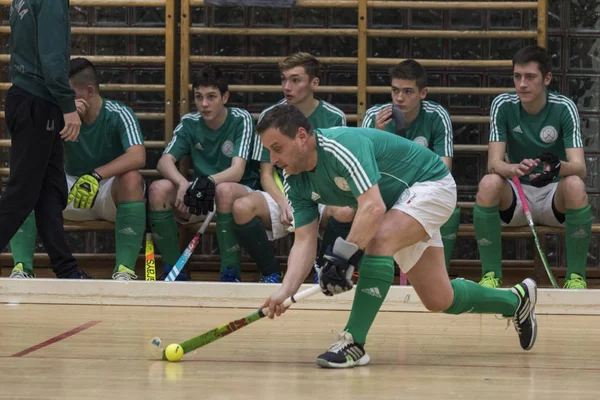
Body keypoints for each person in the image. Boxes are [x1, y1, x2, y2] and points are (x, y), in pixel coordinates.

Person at [258, 104, 537, 369]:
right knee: (439, 299)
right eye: (269, 151)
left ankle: (353, 342)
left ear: (302, 136)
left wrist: (343, 258)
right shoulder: (295, 180)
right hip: (398, 206)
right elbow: (305, 241)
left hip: (429, 183)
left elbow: (372, 207)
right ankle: (516, 300)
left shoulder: (340, 147)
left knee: (378, 240)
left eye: (277, 148)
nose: (274, 160)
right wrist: (285, 291)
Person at [9, 58, 146, 281]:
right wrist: (62, 125)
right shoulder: (59, 115)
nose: (61, 98)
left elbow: (138, 155)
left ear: (88, 91)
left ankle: (124, 272)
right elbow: (33, 155)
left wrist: (96, 175)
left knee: (132, 178)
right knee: (28, 178)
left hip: (106, 192)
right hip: (69, 192)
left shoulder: (119, 113)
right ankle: (22, 268)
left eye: (67, 92)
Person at [474, 45, 591, 289]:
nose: (522, 84)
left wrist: (557, 167)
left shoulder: (564, 107)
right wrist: (513, 169)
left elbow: (580, 168)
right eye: (517, 76)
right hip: (517, 196)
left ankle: (575, 278)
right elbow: (494, 164)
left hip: (553, 196)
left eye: (530, 77)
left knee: (576, 185)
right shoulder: (503, 105)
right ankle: (491, 276)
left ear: (547, 78)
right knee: (488, 183)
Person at [231, 52, 347, 283]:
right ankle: (271, 273)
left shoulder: (335, 117)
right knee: (241, 207)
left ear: (314, 83)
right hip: (283, 193)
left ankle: (325, 272)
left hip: (321, 192)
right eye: (284, 79)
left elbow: (335, 170)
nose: (287, 86)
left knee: (345, 210)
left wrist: (311, 202)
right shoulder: (270, 115)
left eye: (295, 80)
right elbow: (266, 174)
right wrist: (284, 202)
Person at [0, 0, 88, 279]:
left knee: (50, 190)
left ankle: (66, 268)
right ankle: (66, 267)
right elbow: (51, 58)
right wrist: (68, 106)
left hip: (26, 98)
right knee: (22, 193)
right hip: (40, 100)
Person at [148, 65, 259, 281]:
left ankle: (230, 274)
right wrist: (182, 183)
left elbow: (237, 171)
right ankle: (174, 271)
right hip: (201, 194)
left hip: (239, 193)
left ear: (225, 97)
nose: (204, 104)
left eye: (211, 97)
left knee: (224, 190)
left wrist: (205, 181)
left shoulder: (241, 119)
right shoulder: (190, 122)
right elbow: (164, 162)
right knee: (157, 189)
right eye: (199, 97)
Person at [362, 59, 459, 272]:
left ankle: (441, 271)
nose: (399, 98)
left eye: (408, 91)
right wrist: (378, 134)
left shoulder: (437, 116)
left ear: (423, 93)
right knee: (350, 207)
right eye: (395, 90)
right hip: (384, 189)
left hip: (422, 190)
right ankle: (369, 270)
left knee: (450, 209)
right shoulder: (374, 116)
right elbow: (364, 172)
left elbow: (445, 169)